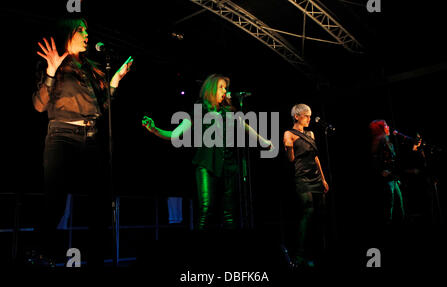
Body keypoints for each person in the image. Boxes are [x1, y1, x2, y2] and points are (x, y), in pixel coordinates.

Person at [32, 17, 133, 266]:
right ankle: (37, 253)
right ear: (69, 33)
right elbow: (39, 105)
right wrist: (51, 71)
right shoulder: (54, 62)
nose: (87, 34)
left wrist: (114, 82)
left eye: (87, 30)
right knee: (55, 200)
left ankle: (95, 257)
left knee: (98, 202)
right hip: (62, 136)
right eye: (81, 30)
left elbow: (101, 108)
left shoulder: (91, 68)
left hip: (92, 137)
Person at [142, 74, 272, 231]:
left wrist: (263, 142)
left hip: (228, 166)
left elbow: (246, 127)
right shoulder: (200, 109)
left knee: (230, 214)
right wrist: (156, 130)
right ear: (211, 89)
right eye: (221, 87)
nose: (224, 91)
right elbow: (175, 134)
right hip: (206, 164)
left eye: (225, 88)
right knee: (206, 209)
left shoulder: (229, 111)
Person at [283, 103, 329, 268]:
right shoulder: (289, 134)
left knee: (320, 213)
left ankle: (318, 251)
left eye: (310, 115)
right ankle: (300, 254)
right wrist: (289, 148)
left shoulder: (310, 133)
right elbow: (291, 159)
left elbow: (316, 158)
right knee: (307, 211)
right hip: (302, 178)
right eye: (306, 115)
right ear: (297, 116)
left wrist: (323, 179)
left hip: (316, 177)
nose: (309, 118)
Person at [369, 119, 405, 224]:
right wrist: (381, 170)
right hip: (387, 179)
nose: (388, 127)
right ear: (380, 128)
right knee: (390, 205)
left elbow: (392, 160)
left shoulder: (387, 140)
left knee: (398, 203)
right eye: (385, 125)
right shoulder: (379, 140)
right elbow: (374, 158)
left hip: (393, 178)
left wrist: (396, 177)